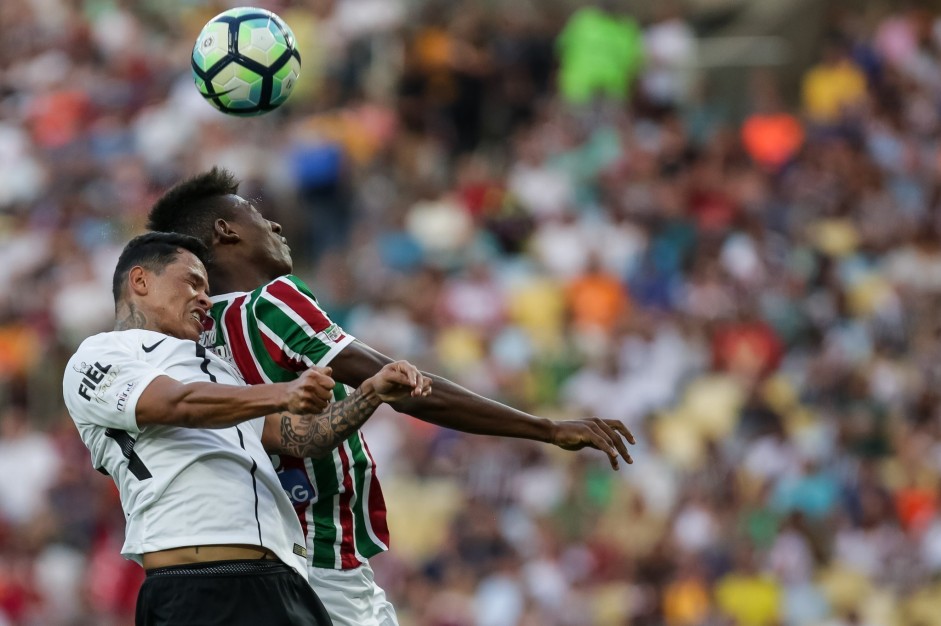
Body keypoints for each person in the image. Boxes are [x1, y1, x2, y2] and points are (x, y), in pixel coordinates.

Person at [147, 168, 635, 626]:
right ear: (225, 231)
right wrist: (545, 428)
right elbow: (406, 387)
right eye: (255, 212)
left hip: (261, 552)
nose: (273, 222)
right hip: (318, 557)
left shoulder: (197, 335)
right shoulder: (272, 303)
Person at [62, 232, 431, 626]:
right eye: (192, 282)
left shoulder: (218, 372)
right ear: (140, 281)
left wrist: (371, 393)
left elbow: (301, 437)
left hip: (281, 579)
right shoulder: (99, 354)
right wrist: (282, 392)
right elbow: (175, 403)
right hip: (200, 582)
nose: (205, 298)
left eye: (206, 287)